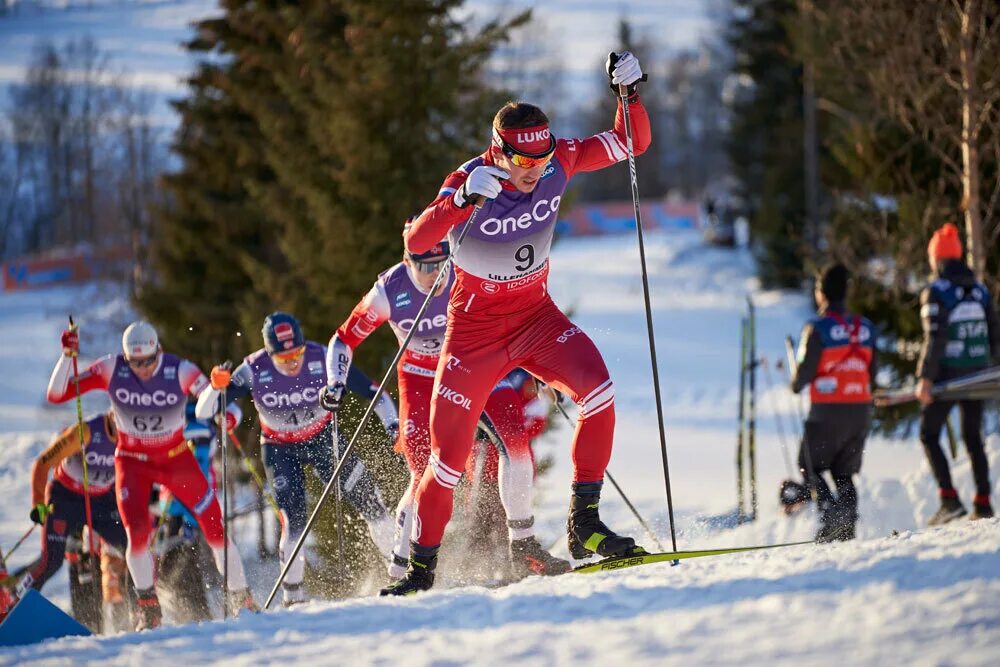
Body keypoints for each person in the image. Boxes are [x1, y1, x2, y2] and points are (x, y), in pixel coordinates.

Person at [378, 51, 650, 595]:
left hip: (535, 317)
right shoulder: (471, 179)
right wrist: (457, 201)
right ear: (498, 152)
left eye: (541, 162)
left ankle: (584, 525)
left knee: (599, 394)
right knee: (447, 462)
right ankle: (421, 569)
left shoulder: (557, 160)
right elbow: (415, 241)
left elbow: (630, 143)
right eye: (522, 164)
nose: (534, 173)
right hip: (475, 335)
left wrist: (632, 95)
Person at [324, 242, 569, 583]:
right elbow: (343, 339)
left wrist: (542, 371)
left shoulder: (467, 269)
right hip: (421, 379)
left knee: (515, 443)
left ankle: (524, 547)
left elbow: (517, 317)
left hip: (472, 364)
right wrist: (336, 380)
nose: (434, 276)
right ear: (407, 261)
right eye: (425, 267)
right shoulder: (388, 291)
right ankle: (402, 570)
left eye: (441, 265)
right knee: (424, 471)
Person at [46, 321, 256, 630]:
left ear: (159, 351)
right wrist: (67, 355)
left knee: (215, 527)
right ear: (126, 356)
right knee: (137, 534)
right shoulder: (111, 369)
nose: (143, 368)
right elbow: (57, 393)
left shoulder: (179, 370)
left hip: (175, 458)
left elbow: (212, 402)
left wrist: (229, 413)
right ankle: (148, 608)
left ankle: (242, 598)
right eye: (136, 362)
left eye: (149, 361)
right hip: (132, 462)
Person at [197, 312, 396, 606]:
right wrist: (215, 387)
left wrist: (393, 427)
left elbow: (374, 393)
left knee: (370, 501)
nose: (291, 362)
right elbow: (203, 412)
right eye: (283, 357)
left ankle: (401, 569)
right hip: (280, 448)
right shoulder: (254, 368)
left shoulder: (324, 358)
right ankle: (293, 598)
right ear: (269, 352)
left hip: (323, 439)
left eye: (297, 353)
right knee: (294, 521)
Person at [916, 223, 1000, 523]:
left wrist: (925, 378)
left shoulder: (936, 291)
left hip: (948, 376)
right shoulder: (979, 289)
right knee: (972, 436)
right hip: (978, 373)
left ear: (936, 258)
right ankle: (983, 500)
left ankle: (949, 499)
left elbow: (935, 337)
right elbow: (994, 331)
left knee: (928, 434)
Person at [790, 264, 876, 542]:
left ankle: (829, 522)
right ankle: (847, 528)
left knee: (809, 465)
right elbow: (872, 373)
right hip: (860, 410)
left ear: (821, 293)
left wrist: (795, 381)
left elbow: (801, 377)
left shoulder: (816, 328)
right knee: (844, 472)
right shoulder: (865, 328)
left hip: (827, 411)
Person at [27, 410, 131, 625]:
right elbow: (43, 463)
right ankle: (16, 603)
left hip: (102, 501)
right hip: (66, 498)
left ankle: (141, 611)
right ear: (112, 414)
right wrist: (38, 504)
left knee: (133, 551)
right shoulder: (86, 431)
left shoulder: (134, 438)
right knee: (51, 561)